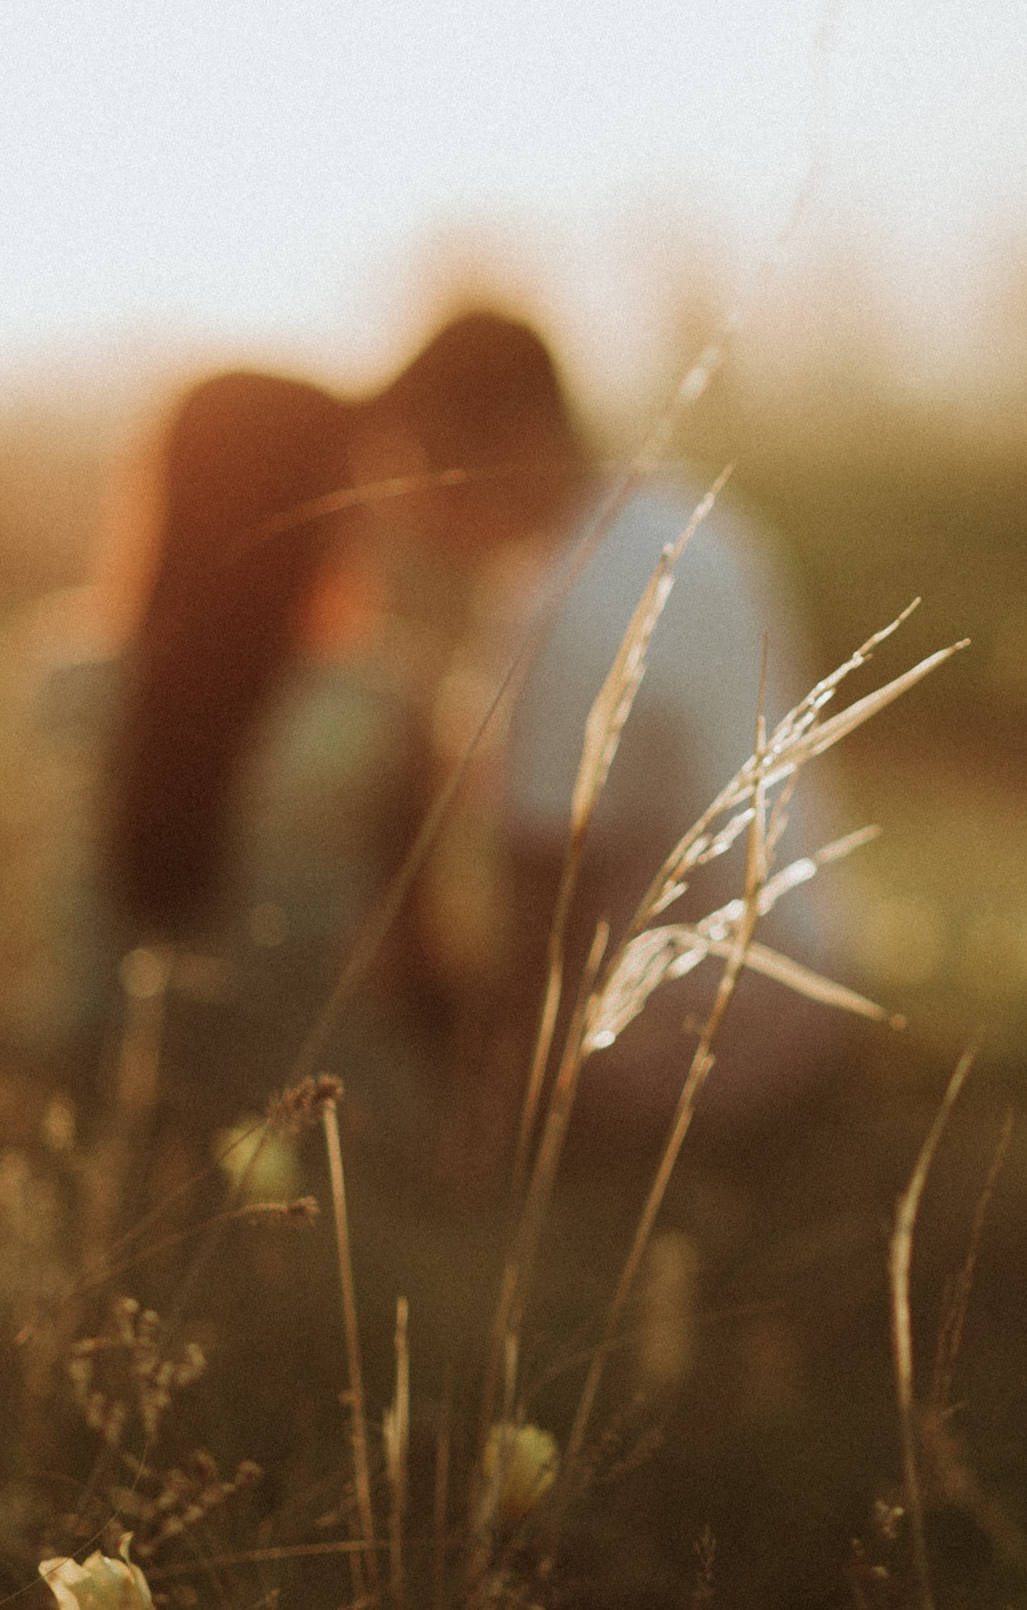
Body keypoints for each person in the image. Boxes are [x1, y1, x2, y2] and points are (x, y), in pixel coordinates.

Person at [358, 311, 851, 1158]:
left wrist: (489, 1134)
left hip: (697, 1041)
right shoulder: (696, 516)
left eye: (426, 457)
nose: (414, 496)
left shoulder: (564, 608)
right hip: (810, 975)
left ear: (513, 433)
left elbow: (542, 919)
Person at [13, 368, 429, 1152]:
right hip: (319, 1113)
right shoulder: (375, 708)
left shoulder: (61, 681)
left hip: (101, 1084)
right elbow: (412, 966)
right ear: (320, 512)